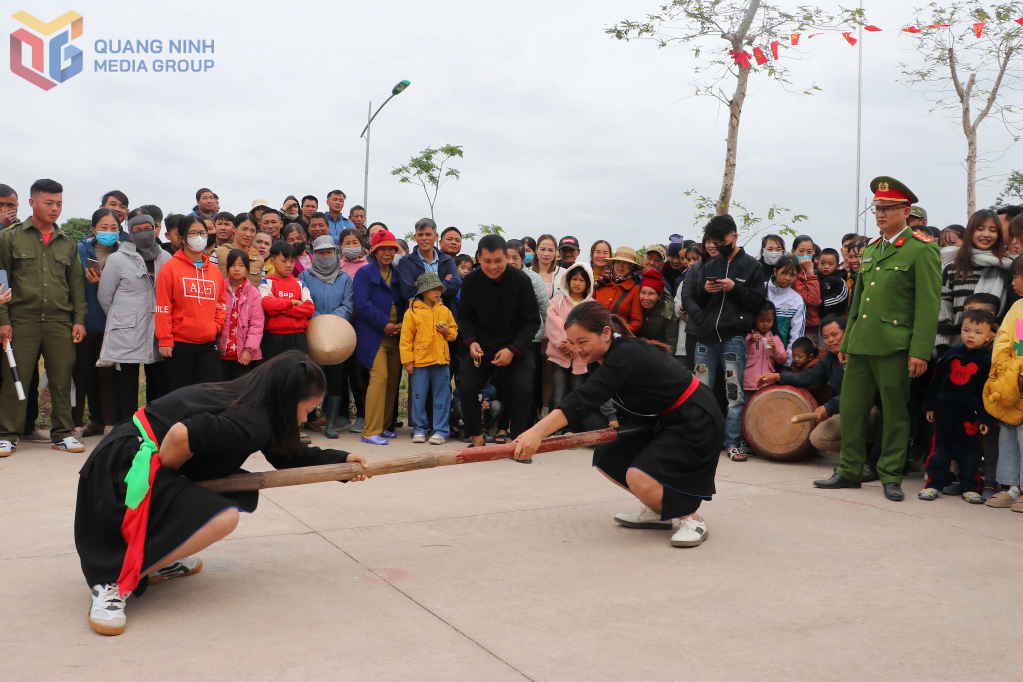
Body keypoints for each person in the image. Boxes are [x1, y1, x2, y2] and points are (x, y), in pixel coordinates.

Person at [74, 352, 370, 636]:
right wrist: (167, 477)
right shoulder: (250, 420)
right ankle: (112, 580)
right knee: (222, 517)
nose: (306, 419)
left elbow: (288, 457)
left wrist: (342, 461)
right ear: (288, 400)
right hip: (120, 469)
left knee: (227, 492)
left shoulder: (256, 402)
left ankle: (156, 556)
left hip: (130, 451)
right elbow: (181, 435)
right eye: (307, 410)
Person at [513, 301, 723, 548]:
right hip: (658, 419)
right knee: (608, 457)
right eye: (572, 343)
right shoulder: (601, 357)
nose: (577, 349)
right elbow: (591, 399)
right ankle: (660, 510)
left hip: (694, 419)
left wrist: (536, 432)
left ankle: (691, 518)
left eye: (583, 341)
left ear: (604, 333)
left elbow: (583, 398)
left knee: (639, 477)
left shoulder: (624, 354)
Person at [815, 176, 942, 501]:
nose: (881, 214)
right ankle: (849, 470)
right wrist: (847, 341)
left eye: (888, 208)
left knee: (895, 413)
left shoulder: (921, 250)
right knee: (853, 409)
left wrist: (920, 352)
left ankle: (890, 475)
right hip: (860, 346)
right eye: (877, 209)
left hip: (895, 348)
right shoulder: (871, 249)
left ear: (906, 210)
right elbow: (857, 303)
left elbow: (928, 307)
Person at [0, 179, 86, 455]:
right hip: (21, 319)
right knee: (16, 377)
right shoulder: (9, 238)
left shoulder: (68, 244)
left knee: (61, 378)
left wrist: (79, 319)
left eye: (59, 203)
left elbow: (76, 286)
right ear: (32, 202)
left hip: (59, 321)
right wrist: (3, 320)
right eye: (49, 203)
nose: (55, 209)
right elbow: (1, 281)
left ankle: (62, 433)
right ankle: (7, 434)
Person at [681, 214, 767, 461]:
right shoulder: (710, 266)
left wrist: (735, 288)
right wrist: (706, 291)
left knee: (733, 394)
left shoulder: (752, 265)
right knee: (700, 391)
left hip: (733, 338)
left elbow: (759, 303)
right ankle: (700, 440)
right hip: (706, 338)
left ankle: (732, 442)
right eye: (714, 241)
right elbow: (696, 301)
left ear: (735, 237)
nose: (717, 245)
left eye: (723, 240)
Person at [458, 234, 541, 448]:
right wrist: (471, 342)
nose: (493, 266)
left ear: (506, 257)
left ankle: (520, 443)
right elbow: (465, 318)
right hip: (482, 346)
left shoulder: (521, 280)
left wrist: (513, 350)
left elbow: (532, 321)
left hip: (516, 345)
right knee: (467, 387)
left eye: (498, 261)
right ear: (479, 258)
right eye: (487, 261)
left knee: (523, 389)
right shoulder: (470, 281)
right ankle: (476, 441)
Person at [757, 315, 872, 456]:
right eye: (825, 337)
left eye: (834, 334)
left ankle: (875, 452)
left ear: (847, 332)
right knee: (818, 438)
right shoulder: (829, 359)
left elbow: (859, 392)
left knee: (866, 417)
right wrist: (778, 376)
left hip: (869, 409)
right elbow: (808, 377)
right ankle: (865, 453)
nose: (830, 340)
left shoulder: (862, 355)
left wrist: (829, 407)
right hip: (845, 409)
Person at [97, 211, 172, 422]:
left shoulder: (166, 257)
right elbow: (105, 296)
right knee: (127, 381)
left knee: (157, 379)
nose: (143, 234)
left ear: (155, 229)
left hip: (158, 328)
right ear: (129, 232)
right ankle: (126, 426)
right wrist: (121, 318)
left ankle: (153, 424)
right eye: (137, 230)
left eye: (148, 228)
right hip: (127, 330)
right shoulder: (117, 258)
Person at [919, 308, 995, 503]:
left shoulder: (988, 362)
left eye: (978, 333)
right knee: (940, 451)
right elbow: (935, 382)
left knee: (971, 454)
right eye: (966, 330)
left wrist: (986, 417)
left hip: (971, 415)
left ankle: (970, 487)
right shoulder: (951, 354)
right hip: (945, 412)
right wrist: (931, 405)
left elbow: (990, 393)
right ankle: (933, 485)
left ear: (988, 335)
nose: (971, 336)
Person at [545, 263, 620, 436]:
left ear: (589, 283)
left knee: (577, 391)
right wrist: (566, 343)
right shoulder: (557, 301)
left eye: (581, 280)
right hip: (560, 354)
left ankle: (572, 428)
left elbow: (593, 328)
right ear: (567, 281)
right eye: (574, 279)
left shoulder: (592, 305)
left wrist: (576, 346)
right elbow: (552, 323)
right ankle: (553, 429)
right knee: (559, 390)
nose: (577, 283)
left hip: (582, 358)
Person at [155, 215, 227, 392]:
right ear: (182, 238)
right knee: (181, 393)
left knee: (211, 392)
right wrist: (165, 338)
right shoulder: (170, 268)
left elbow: (221, 303)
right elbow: (163, 306)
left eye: (202, 232)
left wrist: (216, 326)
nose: (198, 237)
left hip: (208, 342)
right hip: (180, 343)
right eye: (193, 233)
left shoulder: (215, 271)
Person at [353, 230, 408, 445]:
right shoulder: (364, 273)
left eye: (391, 249)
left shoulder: (397, 272)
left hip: (397, 335)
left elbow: (404, 301)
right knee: (379, 377)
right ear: (374, 251)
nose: (387, 253)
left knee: (393, 379)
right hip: (374, 335)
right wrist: (384, 324)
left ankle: (384, 426)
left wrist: (403, 323)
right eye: (382, 249)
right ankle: (370, 431)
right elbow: (362, 304)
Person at [299, 236, 355, 438]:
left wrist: (330, 322)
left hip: (337, 336)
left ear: (335, 253)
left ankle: (331, 423)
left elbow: (348, 305)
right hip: (312, 333)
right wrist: (318, 321)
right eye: (320, 252)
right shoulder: (305, 276)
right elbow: (303, 301)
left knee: (336, 379)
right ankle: (309, 419)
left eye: (329, 252)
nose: (325, 256)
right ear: (314, 254)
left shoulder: (344, 278)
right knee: (311, 377)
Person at [934, 209, 1011, 355]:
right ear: (970, 233)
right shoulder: (953, 269)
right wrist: (942, 350)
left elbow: (1012, 314)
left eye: (992, 230)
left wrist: (999, 333)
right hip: (956, 352)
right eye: (980, 229)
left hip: (994, 353)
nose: (986, 234)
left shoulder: (1007, 268)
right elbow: (943, 313)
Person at [74, 208, 122, 439]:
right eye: (104, 227)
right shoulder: (79, 250)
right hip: (82, 323)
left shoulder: (123, 253)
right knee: (81, 376)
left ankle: (110, 425)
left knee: (108, 377)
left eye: (114, 228)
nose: (109, 232)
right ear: (93, 229)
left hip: (110, 326)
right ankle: (79, 424)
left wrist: (107, 283)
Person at [400, 272, 459, 445]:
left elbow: (454, 333)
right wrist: (408, 361)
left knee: (442, 396)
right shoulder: (412, 312)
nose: (437, 292)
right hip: (420, 361)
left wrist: (448, 332)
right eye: (433, 289)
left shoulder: (444, 310)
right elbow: (406, 339)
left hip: (441, 361)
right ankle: (420, 428)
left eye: (439, 288)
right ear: (423, 291)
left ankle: (441, 430)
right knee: (418, 396)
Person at [984, 257, 1023, 511]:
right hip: (1010, 381)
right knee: (1009, 430)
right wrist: (1008, 371)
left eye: (1016, 276)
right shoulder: (1018, 306)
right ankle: (1012, 487)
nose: (1013, 282)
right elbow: (1006, 340)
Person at [507, 239, 550, 435]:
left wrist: (542, 337)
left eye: (515, 257)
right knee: (506, 386)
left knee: (526, 386)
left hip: (530, 340)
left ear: (523, 259)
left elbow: (544, 310)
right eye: (506, 257)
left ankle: (526, 430)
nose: (510, 261)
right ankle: (504, 428)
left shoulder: (533, 279)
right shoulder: (497, 277)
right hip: (504, 342)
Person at [259, 241, 314, 360]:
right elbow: (268, 304)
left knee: (297, 373)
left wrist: (280, 309)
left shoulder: (300, 283)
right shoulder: (266, 283)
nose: (289, 265)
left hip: (298, 336)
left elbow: (309, 309)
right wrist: (293, 302)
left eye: (292, 261)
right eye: (284, 261)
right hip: (273, 337)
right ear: (272, 261)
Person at [217, 249, 264, 381]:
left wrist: (249, 350)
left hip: (243, 354)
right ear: (227, 268)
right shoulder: (219, 289)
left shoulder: (254, 293)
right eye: (233, 265)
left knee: (239, 391)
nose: (237, 269)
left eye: (241, 265)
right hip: (220, 352)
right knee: (219, 389)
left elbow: (257, 324)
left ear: (248, 270)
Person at [397, 218, 462, 307]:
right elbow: (407, 291)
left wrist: (420, 285)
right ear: (415, 237)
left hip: (445, 315)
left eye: (428, 234)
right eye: (420, 235)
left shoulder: (447, 260)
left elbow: (455, 286)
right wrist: (443, 282)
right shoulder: (406, 262)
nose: (424, 238)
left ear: (435, 237)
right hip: (418, 316)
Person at [743, 302, 788, 407]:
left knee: (765, 410)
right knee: (747, 411)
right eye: (761, 320)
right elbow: (739, 355)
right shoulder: (747, 336)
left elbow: (783, 359)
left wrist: (775, 350)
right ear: (754, 319)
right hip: (749, 384)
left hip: (768, 384)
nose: (765, 324)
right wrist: (749, 342)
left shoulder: (775, 339)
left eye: (769, 321)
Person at [593, 246, 644, 333]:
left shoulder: (635, 290)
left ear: (632, 267)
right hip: (594, 335)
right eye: (618, 261)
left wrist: (618, 333)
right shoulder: (600, 283)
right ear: (613, 263)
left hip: (618, 339)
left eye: (625, 262)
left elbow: (636, 322)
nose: (620, 265)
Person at [767, 255, 805, 366]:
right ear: (775, 271)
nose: (788, 278)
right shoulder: (761, 290)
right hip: (757, 355)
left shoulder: (796, 300)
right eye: (784, 273)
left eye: (793, 275)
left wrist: (787, 362)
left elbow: (797, 333)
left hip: (781, 358)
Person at [214, 213, 264, 285]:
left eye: (253, 231)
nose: (248, 234)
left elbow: (262, 287)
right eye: (244, 229)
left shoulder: (259, 259)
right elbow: (210, 281)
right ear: (234, 228)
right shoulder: (218, 253)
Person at [636, 269, 678, 348]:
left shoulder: (668, 312)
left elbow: (671, 345)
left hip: (660, 353)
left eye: (651, 294)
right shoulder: (635, 307)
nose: (646, 298)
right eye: (643, 293)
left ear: (659, 296)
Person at [791, 236, 822, 338]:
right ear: (793, 252)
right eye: (801, 251)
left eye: (809, 252)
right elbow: (812, 300)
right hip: (796, 327)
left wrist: (810, 273)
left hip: (812, 329)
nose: (805, 255)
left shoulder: (816, 273)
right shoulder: (792, 274)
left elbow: (815, 301)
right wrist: (809, 273)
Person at [816, 248, 849, 320]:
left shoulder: (839, 280)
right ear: (818, 264)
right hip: (815, 318)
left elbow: (840, 297)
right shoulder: (814, 277)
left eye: (830, 264)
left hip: (835, 317)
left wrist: (822, 302)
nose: (826, 267)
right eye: (823, 263)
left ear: (837, 266)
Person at [531, 234, 565, 300]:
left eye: (551, 250)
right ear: (536, 250)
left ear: (556, 252)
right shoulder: (526, 273)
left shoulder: (564, 274)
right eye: (542, 249)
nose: (546, 254)